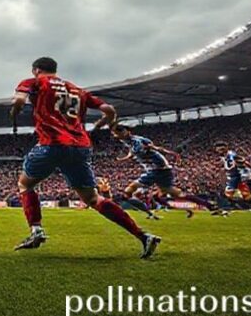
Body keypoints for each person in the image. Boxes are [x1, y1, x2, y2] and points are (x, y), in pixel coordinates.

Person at [10, 57, 160, 259]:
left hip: (51, 143)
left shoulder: (34, 82)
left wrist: (16, 111)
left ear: (36, 70)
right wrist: (100, 125)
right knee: (92, 198)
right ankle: (143, 236)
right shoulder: (78, 90)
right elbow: (109, 110)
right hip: (81, 146)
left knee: (25, 185)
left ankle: (36, 230)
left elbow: (19, 99)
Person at [113, 125, 226, 218]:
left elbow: (154, 148)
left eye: (119, 132)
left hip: (156, 170)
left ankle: (145, 213)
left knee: (129, 191)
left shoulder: (137, 142)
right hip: (162, 170)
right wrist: (126, 158)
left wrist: (170, 153)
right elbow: (139, 150)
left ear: (127, 131)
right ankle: (209, 206)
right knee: (174, 194)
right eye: (115, 133)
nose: (117, 135)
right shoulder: (130, 142)